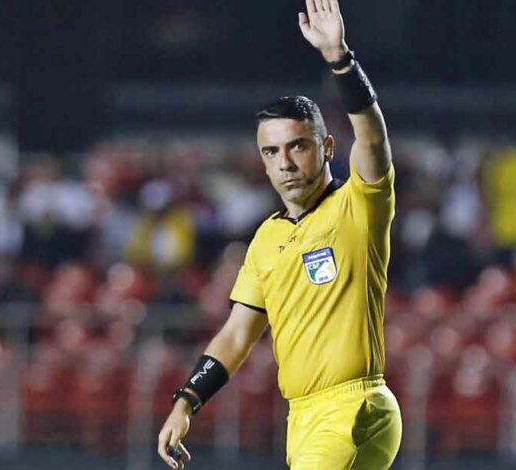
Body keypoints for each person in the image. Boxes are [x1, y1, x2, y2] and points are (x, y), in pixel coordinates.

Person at [157, 0, 401, 468]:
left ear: (327, 147)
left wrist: (339, 58)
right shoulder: (267, 239)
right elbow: (237, 334)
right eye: (271, 152)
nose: (285, 162)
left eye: (297, 146)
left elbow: (372, 138)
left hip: (352, 406)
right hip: (304, 417)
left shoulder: (358, 204)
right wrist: (186, 400)